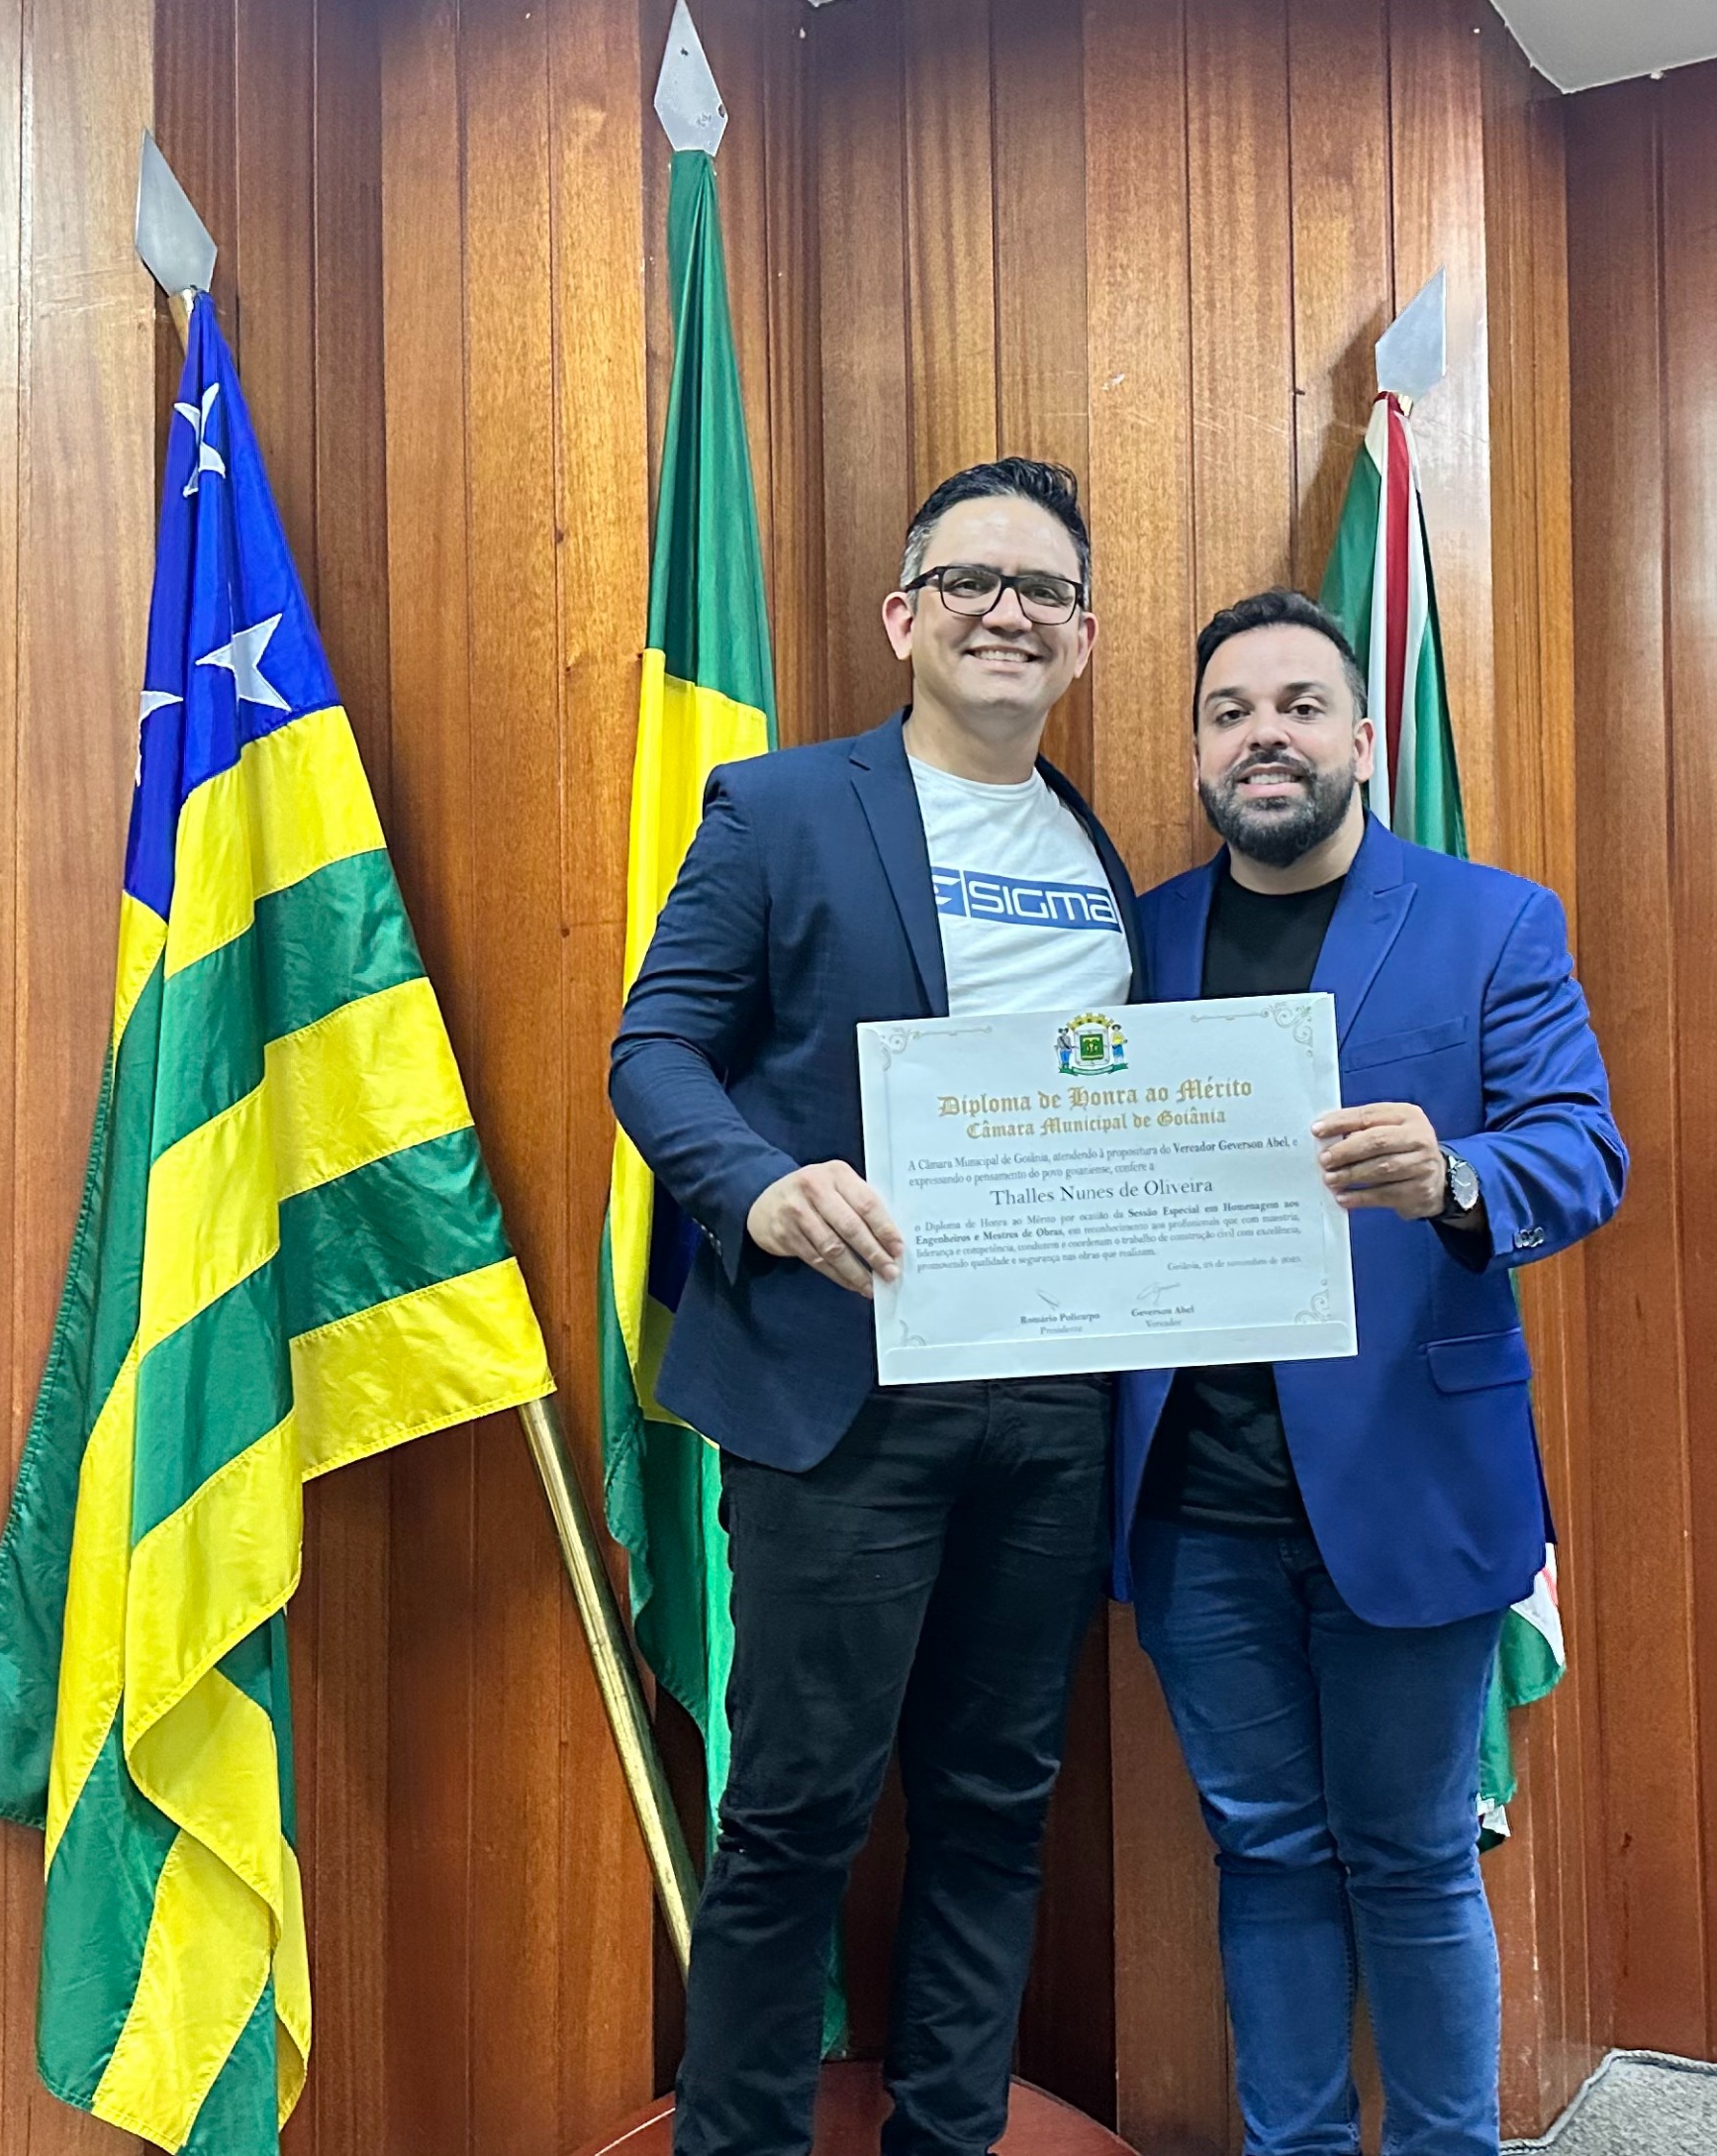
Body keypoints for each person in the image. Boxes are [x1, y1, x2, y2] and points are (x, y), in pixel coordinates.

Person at [611, 457, 1146, 2156]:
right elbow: (654, 1047)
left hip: (1050, 1403)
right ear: (905, 615)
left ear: (1081, 641)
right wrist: (758, 1186)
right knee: (793, 1815)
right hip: (836, 1396)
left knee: (995, 1807)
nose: (1009, 611)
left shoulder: (1099, 854)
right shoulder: (779, 809)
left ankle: (945, 2136)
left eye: (1045, 590)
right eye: (973, 580)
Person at [1109, 591, 1626, 2156]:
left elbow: (1582, 1151)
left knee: (1411, 1856)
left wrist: (1457, 1174)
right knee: (1263, 1853)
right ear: (1199, 753)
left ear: (1360, 736)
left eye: (1295, 704)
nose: (1261, 733)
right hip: (1193, 1499)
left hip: (1413, 1477)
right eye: (1227, 712)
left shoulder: (1493, 920)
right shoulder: (1134, 939)